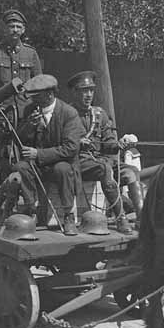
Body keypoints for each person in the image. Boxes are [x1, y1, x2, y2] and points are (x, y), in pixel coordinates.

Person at [6, 74, 83, 236]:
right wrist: (28, 126)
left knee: (61, 168)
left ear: (50, 94)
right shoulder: (30, 110)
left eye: (36, 96)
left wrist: (38, 153)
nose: (32, 99)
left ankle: (68, 215)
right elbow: (18, 139)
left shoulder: (69, 114)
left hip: (64, 164)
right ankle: (31, 211)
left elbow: (71, 148)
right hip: (40, 166)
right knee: (21, 167)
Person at [66, 70, 134, 234]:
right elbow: (60, 143)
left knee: (131, 172)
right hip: (78, 163)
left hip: (100, 162)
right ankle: (121, 218)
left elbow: (108, 144)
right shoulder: (66, 114)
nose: (89, 95)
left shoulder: (99, 114)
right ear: (75, 92)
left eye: (91, 90)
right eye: (84, 91)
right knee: (105, 169)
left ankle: (140, 215)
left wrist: (119, 144)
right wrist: (78, 143)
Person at [0, 9, 42, 100]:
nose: (15, 30)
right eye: (11, 27)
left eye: (18, 27)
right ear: (5, 29)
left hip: (26, 105)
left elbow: (38, 79)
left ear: (23, 30)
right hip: (1, 106)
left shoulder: (31, 53)